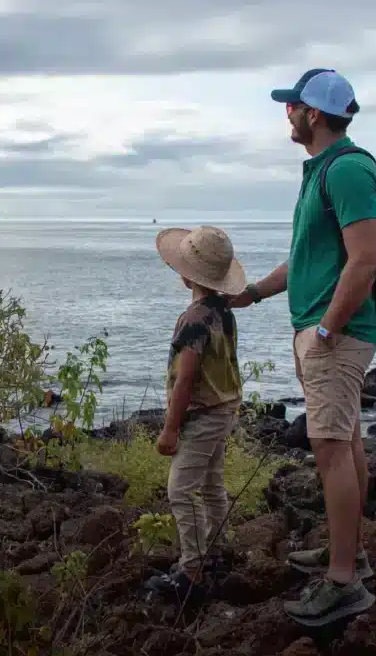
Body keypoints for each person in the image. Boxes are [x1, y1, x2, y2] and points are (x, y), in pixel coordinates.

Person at [229, 68, 376, 626]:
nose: (287, 113)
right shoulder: (322, 172)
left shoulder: (347, 171)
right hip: (327, 334)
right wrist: (251, 294)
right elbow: (305, 260)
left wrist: (325, 331)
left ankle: (343, 582)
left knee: (331, 450)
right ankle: (351, 553)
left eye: (292, 105)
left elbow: (366, 260)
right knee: (346, 443)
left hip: (336, 338)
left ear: (313, 114)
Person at [144, 225, 245, 602]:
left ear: (188, 275)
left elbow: (186, 378)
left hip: (203, 414)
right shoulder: (222, 310)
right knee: (211, 484)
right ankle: (216, 552)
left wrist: (170, 429)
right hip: (225, 406)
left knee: (180, 489)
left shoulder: (192, 320)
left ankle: (193, 570)